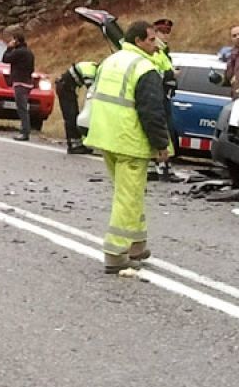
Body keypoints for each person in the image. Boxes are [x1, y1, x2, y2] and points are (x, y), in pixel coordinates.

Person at [85, 21, 173, 275]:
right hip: (129, 142)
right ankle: (115, 254)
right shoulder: (144, 67)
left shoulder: (110, 61)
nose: (156, 45)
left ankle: (137, 244)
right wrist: (161, 144)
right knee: (128, 197)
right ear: (138, 41)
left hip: (105, 137)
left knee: (128, 194)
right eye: (151, 40)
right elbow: (151, 111)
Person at [56, 60, 98, 154]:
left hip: (67, 87)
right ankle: (73, 145)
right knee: (71, 116)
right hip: (64, 88)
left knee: (73, 114)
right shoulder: (90, 71)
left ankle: (77, 143)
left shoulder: (92, 66)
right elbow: (92, 90)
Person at [1, 31, 36, 141]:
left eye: (13, 40)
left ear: (16, 40)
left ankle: (24, 132)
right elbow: (32, 69)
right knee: (23, 107)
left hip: (20, 82)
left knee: (22, 108)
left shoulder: (18, 52)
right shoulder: (29, 52)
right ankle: (25, 129)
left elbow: (5, 59)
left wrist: (9, 48)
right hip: (28, 82)